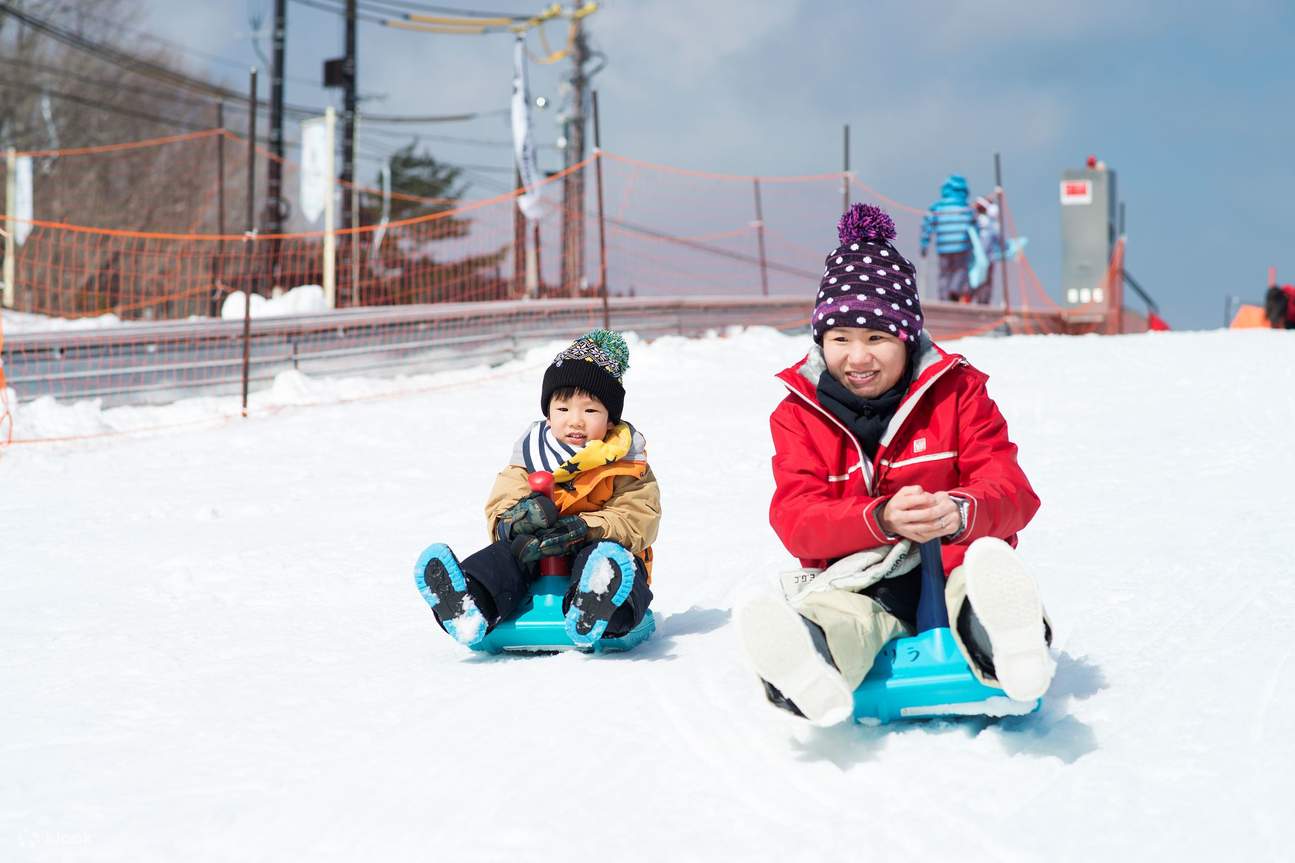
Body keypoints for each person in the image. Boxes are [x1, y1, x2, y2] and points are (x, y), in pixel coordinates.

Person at [736, 203, 1055, 726]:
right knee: (843, 615)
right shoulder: (799, 415)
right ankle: (809, 665)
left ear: (906, 338)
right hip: (859, 576)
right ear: (821, 341)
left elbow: (1012, 491)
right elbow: (797, 520)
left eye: (876, 339)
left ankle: (1010, 647)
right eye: (840, 339)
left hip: (953, 564)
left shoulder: (958, 396)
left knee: (976, 591)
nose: (857, 357)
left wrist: (959, 512)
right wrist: (878, 519)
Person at [413, 330, 660, 648]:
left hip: (601, 551)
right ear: (548, 412)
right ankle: (469, 602)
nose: (576, 421)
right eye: (563, 409)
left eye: (590, 410)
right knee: (505, 557)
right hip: (537, 560)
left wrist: (585, 528)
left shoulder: (627, 461)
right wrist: (515, 521)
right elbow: (502, 500)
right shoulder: (531, 455)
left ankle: (597, 604)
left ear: (610, 420)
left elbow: (639, 517)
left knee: (602, 561)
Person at [919, 174, 976, 302]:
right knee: (961, 270)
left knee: (944, 273)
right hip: (962, 246)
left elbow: (926, 225)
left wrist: (924, 243)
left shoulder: (937, 207)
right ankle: (954, 289)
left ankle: (943, 298)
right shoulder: (967, 208)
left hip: (943, 246)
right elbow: (974, 228)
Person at [971, 195, 1002, 305]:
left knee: (978, 280)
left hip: (978, 258)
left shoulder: (977, 222)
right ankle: (983, 302)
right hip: (988, 258)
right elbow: (1000, 241)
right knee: (985, 281)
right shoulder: (994, 225)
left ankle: (979, 300)